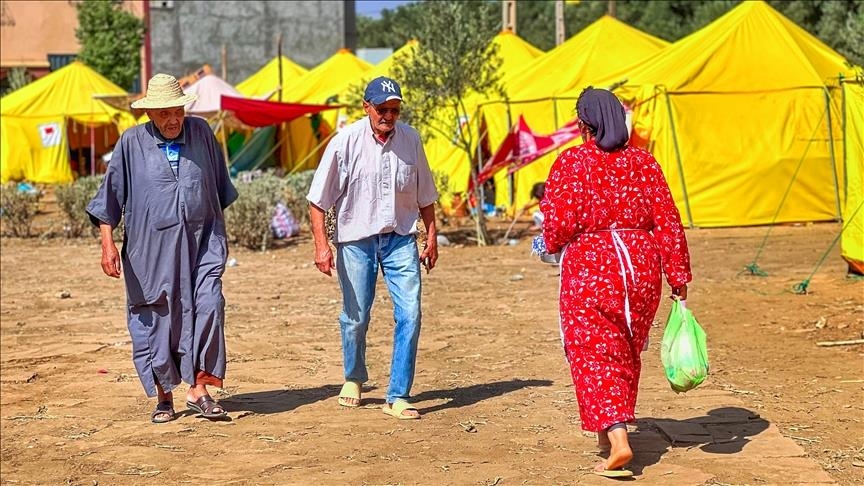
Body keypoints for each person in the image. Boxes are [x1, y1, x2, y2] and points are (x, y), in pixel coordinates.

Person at [539, 87, 692, 477]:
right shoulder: (645, 163)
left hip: (592, 266)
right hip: (641, 269)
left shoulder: (573, 162)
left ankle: (619, 441)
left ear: (584, 123)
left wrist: (546, 244)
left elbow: (557, 223)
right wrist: (678, 275)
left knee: (593, 353)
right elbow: (668, 221)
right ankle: (607, 433)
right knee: (624, 350)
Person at [86, 73, 238, 424]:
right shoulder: (131, 143)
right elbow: (108, 199)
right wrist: (107, 244)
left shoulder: (201, 133)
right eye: (164, 113)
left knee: (209, 304)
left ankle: (199, 388)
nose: (173, 120)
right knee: (157, 319)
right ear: (150, 114)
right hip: (149, 252)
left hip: (203, 244)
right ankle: (164, 397)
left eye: (177, 112)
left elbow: (217, 189)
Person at [306, 76, 439, 420]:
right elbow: (317, 200)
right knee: (356, 315)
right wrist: (322, 246)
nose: (389, 116)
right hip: (356, 239)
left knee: (411, 313)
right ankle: (354, 377)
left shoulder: (410, 139)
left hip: (400, 237)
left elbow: (426, 195)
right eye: (382, 109)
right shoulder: (345, 142)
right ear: (366, 108)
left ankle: (398, 395)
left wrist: (432, 236)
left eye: (395, 110)